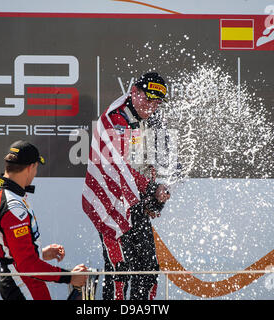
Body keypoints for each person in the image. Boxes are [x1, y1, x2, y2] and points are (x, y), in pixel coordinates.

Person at [82, 72, 171, 300]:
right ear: (134, 91)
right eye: (147, 99)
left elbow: (147, 161)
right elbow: (120, 168)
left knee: (148, 271)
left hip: (135, 205)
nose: (152, 106)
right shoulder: (117, 119)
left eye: (157, 101)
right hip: (111, 206)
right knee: (119, 272)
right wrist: (152, 190)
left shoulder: (150, 118)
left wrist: (155, 199)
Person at [0, 140, 88, 300]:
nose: (35, 173)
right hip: (22, 282)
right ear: (30, 167)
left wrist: (39, 253)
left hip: (15, 276)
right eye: (36, 168)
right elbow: (27, 265)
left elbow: (12, 250)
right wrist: (70, 277)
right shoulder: (13, 207)